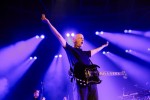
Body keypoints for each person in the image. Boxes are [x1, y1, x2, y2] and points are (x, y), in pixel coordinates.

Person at [41, 14, 109, 100]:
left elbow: (95, 50)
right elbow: (58, 36)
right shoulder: (70, 50)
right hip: (81, 84)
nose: (82, 39)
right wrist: (48, 22)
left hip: (92, 84)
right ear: (74, 40)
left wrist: (103, 46)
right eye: (80, 38)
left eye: (83, 38)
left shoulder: (85, 53)